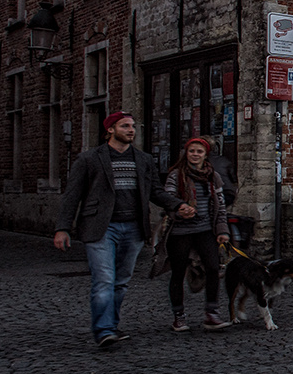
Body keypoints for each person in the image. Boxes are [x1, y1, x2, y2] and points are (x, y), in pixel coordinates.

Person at [55, 112, 177, 348]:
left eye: (133, 126)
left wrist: (178, 205)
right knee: (104, 279)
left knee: (120, 281)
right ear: (110, 130)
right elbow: (72, 196)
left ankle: (111, 324)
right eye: (124, 126)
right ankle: (103, 330)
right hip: (101, 227)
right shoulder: (90, 159)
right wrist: (63, 228)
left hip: (133, 227)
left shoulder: (143, 160)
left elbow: (156, 192)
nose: (131, 130)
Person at [163, 136, 230, 331]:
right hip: (181, 231)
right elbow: (168, 199)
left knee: (213, 268)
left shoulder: (212, 176)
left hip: (205, 229)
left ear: (205, 155)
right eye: (191, 151)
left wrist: (222, 231)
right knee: (178, 272)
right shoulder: (176, 175)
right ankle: (179, 315)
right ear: (186, 153)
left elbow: (220, 206)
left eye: (199, 151)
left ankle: (212, 312)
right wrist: (179, 209)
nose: (195, 155)